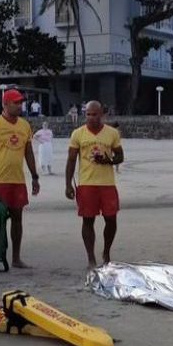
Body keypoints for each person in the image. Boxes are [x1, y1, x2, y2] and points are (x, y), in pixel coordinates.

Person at [0, 89, 40, 269]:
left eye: (21, 102)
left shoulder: (25, 125)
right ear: (5, 104)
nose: (19, 106)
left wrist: (34, 177)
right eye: (16, 102)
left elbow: (28, 152)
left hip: (17, 180)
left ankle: (16, 258)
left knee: (17, 219)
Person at [66, 101, 124, 268]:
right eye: (88, 114)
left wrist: (109, 160)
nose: (91, 117)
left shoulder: (112, 133)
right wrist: (68, 184)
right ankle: (91, 258)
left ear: (102, 114)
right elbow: (71, 160)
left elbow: (120, 156)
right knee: (88, 220)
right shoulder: (78, 134)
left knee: (111, 219)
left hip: (107, 184)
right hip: (86, 184)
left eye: (94, 114)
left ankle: (106, 252)